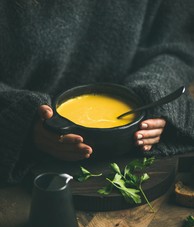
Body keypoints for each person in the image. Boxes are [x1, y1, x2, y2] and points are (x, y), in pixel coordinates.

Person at [0, 0, 194, 184]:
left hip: (131, 161)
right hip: (18, 173)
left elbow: (177, 43)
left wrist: (154, 95)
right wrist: (19, 120)